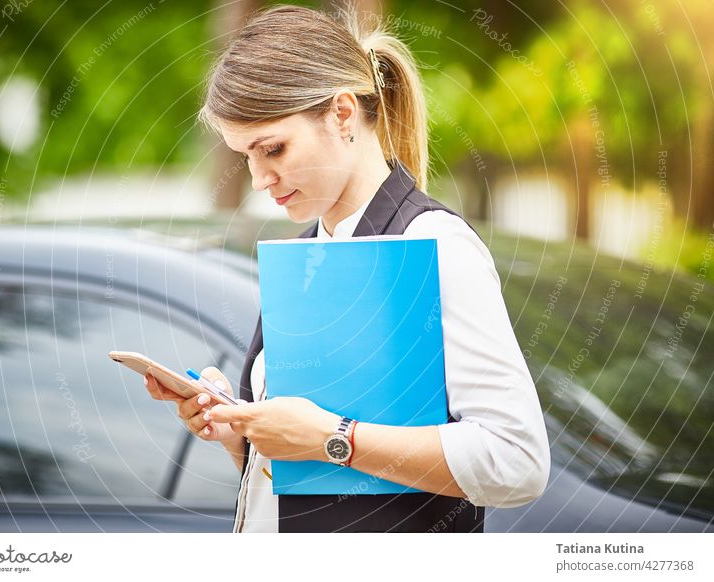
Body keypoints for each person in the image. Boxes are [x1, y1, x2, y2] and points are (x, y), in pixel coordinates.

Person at [144, 3, 550, 533]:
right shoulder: (308, 251)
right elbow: (311, 489)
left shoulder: (435, 245)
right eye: (245, 155)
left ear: (341, 114)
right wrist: (240, 432)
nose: (260, 178)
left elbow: (517, 461)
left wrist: (332, 437)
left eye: (273, 148)